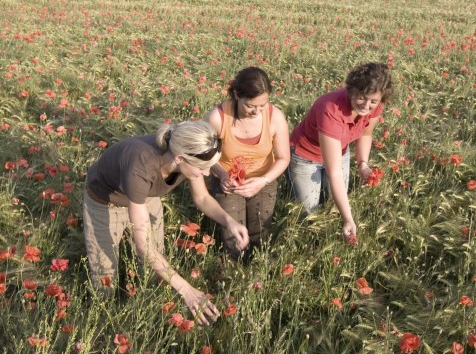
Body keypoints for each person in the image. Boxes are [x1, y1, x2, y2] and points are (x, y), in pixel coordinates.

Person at [84, 120, 249, 325]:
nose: (207, 174)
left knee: (155, 266)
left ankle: (151, 312)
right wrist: (186, 290)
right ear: (179, 158)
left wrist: (229, 221)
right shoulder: (140, 166)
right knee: (104, 270)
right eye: (203, 168)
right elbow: (144, 246)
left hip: (145, 198)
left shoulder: (184, 155)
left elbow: (203, 198)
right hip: (106, 203)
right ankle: (103, 324)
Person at [288, 62, 393, 242]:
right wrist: (349, 220)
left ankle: (332, 234)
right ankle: (310, 243)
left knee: (335, 203)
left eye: (373, 101)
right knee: (309, 211)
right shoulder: (331, 109)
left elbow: (366, 133)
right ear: (352, 90)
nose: (366, 105)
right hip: (306, 156)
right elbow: (334, 172)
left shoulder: (376, 103)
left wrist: (363, 164)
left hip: (340, 150)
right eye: (361, 97)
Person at [205, 67, 290, 258]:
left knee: (260, 232)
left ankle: (257, 269)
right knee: (234, 238)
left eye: (263, 105)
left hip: (263, 180)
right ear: (237, 95)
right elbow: (205, 156)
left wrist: (263, 181)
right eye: (251, 105)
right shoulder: (217, 118)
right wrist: (222, 174)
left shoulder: (274, 117)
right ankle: (234, 270)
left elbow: (284, 158)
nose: (257, 111)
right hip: (229, 183)